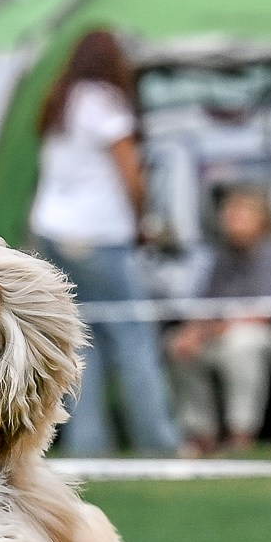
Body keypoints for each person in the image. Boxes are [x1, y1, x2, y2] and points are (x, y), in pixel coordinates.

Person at [27, 28, 178, 455]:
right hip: (99, 234)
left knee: (80, 339)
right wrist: (143, 219)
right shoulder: (105, 102)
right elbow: (131, 172)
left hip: (53, 231)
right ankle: (158, 443)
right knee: (133, 336)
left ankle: (88, 445)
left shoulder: (61, 101)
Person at [165, 185, 271, 452]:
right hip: (228, 338)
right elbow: (207, 308)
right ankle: (201, 436)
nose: (231, 218)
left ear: (263, 218)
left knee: (244, 342)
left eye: (241, 212)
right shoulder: (222, 257)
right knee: (178, 345)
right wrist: (192, 333)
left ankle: (242, 435)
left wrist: (210, 331)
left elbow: (263, 315)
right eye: (229, 211)